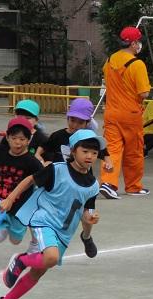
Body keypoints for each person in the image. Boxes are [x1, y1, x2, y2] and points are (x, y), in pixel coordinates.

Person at [0, 130, 104, 299]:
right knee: (51, 257)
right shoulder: (57, 169)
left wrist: (88, 228)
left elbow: (87, 213)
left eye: (94, 153)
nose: (90, 156)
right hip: (44, 220)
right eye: (85, 151)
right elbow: (30, 179)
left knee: (39, 271)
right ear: (73, 150)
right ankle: (20, 261)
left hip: (65, 231)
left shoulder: (93, 185)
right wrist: (10, 199)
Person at [37, 98, 111, 258]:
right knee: (51, 212)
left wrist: (108, 161)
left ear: (87, 122)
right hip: (61, 181)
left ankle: (86, 236)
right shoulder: (58, 136)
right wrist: (41, 160)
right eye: (72, 119)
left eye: (80, 121)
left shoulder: (89, 138)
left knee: (88, 215)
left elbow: (104, 151)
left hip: (83, 182)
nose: (74, 124)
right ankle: (45, 240)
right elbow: (42, 149)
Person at [0, 117, 43, 278]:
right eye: (14, 138)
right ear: (7, 137)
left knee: (16, 241)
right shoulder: (0, 152)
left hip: (18, 208)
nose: (17, 143)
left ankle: (5, 225)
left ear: (28, 140)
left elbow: (46, 178)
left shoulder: (32, 162)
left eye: (22, 139)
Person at [99, 26, 151, 200]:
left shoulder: (109, 61)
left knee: (112, 149)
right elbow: (144, 93)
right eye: (138, 42)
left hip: (111, 112)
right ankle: (133, 186)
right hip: (130, 114)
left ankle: (108, 183)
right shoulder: (137, 64)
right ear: (134, 43)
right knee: (134, 151)